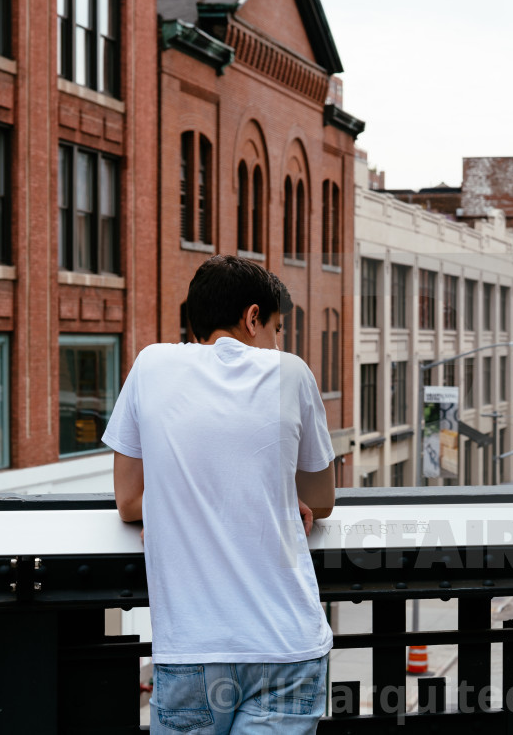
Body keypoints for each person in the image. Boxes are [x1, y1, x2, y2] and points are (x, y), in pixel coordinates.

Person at [103, 255, 337, 734]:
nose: (277, 342)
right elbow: (323, 499)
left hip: (193, 649)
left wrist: (179, 498)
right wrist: (273, 493)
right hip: (286, 647)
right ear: (253, 318)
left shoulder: (151, 363)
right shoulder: (290, 373)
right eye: (276, 327)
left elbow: (127, 502)